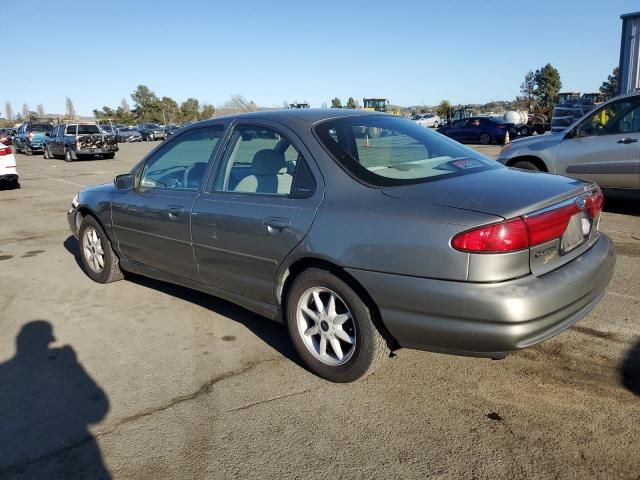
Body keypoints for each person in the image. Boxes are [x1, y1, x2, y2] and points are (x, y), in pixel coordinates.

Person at [0, 321, 111, 478]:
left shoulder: (3, 372)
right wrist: (72, 363)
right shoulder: (63, 358)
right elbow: (98, 412)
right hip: (78, 454)